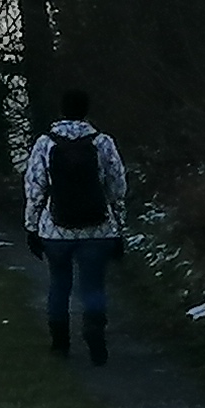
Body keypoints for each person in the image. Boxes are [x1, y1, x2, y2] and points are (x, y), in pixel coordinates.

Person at [22, 91, 128, 366]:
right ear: (86, 110)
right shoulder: (102, 143)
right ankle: (95, 334)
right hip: (98, 229)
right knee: (93, 285)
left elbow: (35, 189)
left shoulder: (45, 143)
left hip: (55, 230)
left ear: (61, 110)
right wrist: (119, 226)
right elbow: (117, 187)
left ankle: (60, 344)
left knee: (59, 284)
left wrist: (31, 227)